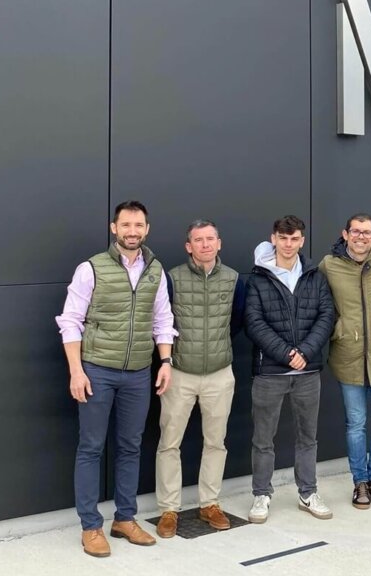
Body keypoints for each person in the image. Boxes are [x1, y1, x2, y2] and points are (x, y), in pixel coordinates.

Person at [56, 200, 176, 557]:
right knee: (91, 448)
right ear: (114, 228)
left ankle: (125, 519)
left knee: (130, 446)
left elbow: (162, 320)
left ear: (147, 229)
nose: (133, 231)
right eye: (126, 225)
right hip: (96, 371)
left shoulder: (155, 270)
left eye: (139, 225)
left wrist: (165, 362)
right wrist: (76, 371)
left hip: (139, 373)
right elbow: (70, 321)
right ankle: (90, 526)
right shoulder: (91, 268)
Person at [155, 219, 245, 538]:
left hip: (220, 374)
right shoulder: (172, 279)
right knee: (169, 443)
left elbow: (236, 321)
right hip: (179, 373)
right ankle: (168, 509)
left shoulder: (234, 279)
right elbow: (161, 320)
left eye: (210, 239)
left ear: (219, 243)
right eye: (198, 240)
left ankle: (210, 503)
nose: (205, 244)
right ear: (188, 246)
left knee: (216, 442)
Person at [244, 215, 336, 523]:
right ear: (273, 238)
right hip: (270, 372)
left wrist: (305, 353)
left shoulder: (315, 275)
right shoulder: (258, 278)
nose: (288, 244)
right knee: (263, 438)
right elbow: (254, 323)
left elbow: (326, 316)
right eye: (283, 238)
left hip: (308, 373)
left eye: (294, 238)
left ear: (302, 240)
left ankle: (307, 492)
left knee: (308, 437)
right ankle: (261, 494)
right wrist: (286, 353)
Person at [318, 213, 371, 510]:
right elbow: (315, 298)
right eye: (355, 231)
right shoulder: (330, 265)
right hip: (348, 355)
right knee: (356, 424)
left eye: (367, 232)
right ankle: (359, 482)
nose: (361, 237)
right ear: (345, 234)